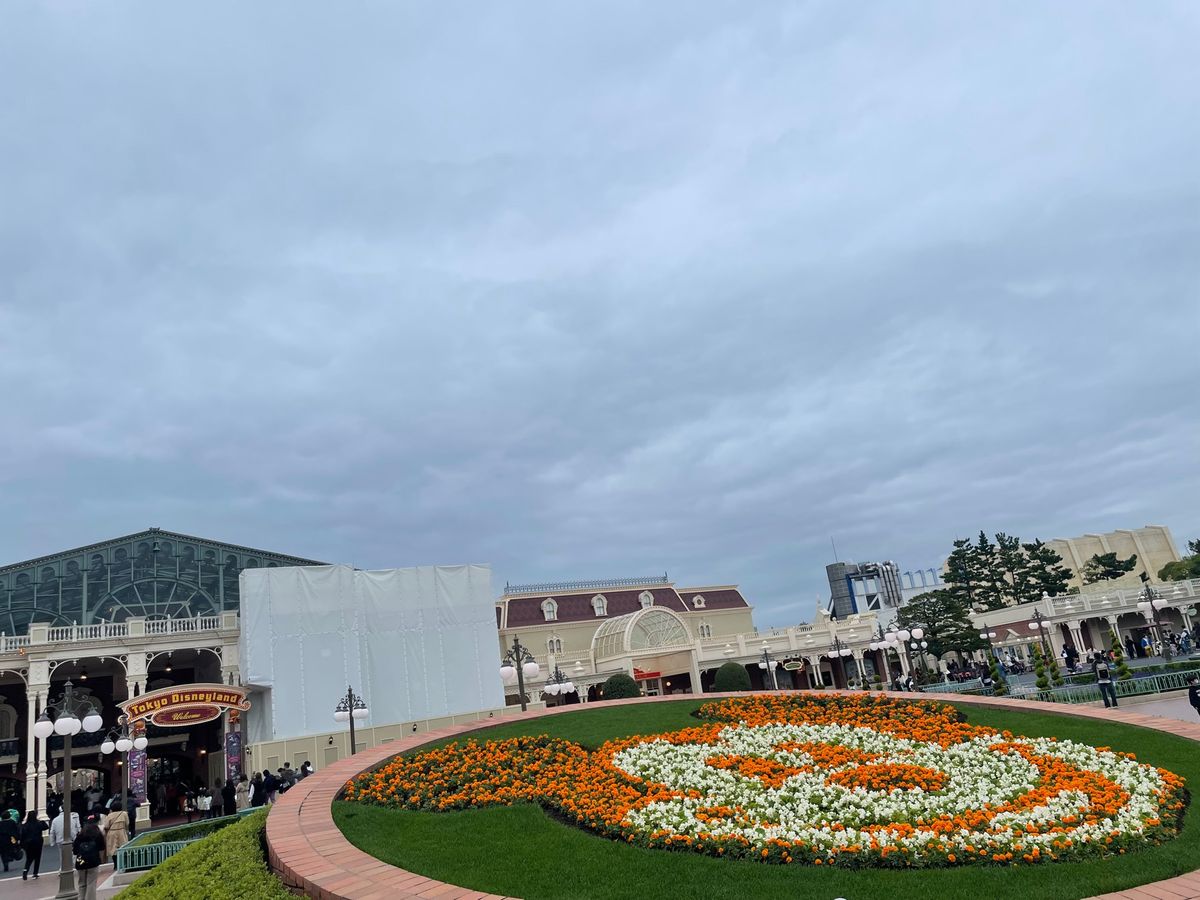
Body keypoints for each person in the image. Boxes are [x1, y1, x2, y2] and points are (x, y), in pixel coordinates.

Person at [72, 817, 107, 900]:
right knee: (91, 883)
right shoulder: (98, 834)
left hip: (81, 861)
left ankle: (81, 898)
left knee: (82, 884)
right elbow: (102, 847)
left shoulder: (80, 835)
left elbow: (75, 850)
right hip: (93, 861)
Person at [20, 809, 48, 880]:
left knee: (29, 858)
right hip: (38, 842)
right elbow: (46, 826)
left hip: (29, 843)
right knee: (37, 858)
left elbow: (22, 835)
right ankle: (35, 873)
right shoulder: (39, 824)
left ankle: (25, 871)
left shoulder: (25, 825)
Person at [102, 799, 130, 868]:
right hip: (121, 831)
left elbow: (106, 826)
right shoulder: (124, 814)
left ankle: (116, 865)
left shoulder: (109, 815)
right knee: (123, 847)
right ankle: (123, 863)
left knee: (113, 849)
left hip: (112, 832)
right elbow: (127, 823)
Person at [0, 808, 19, 873]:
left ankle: (5, 863)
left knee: (3, 853)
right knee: (11, 849)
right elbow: (16, 831)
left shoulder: (0, 823)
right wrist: (17, 838)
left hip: (1, 839)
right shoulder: (12, 822)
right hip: (10, 839)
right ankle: (10, 857)